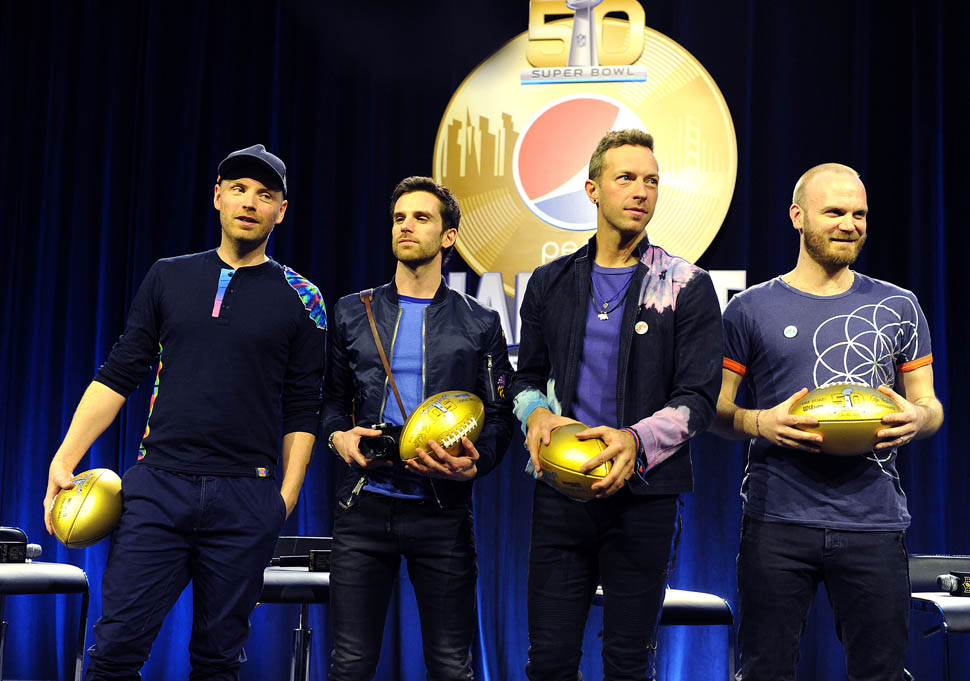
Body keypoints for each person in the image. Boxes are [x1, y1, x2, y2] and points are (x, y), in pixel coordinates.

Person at [43, 144, 327, 680]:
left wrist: (284, 499)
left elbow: (303, 404)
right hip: (159, 487)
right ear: (218, 197)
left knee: (218, 663)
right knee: (114, 652)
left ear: (281, 211)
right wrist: (64, 458)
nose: (250, 202)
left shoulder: (303, 298)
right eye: (238, 189)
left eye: (265, 195)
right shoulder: (168, 276)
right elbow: (119, 372)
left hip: (246, 494)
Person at [712, 163, 944, 680]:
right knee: (764, 671)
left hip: (874, 522)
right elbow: (715, 409)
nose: (849, 224)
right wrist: (760, 422)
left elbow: (930, 405)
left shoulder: (899, 305)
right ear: (798, 216)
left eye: (859, 214)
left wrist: (917, 418)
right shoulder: (749, 309)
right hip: (776, 521)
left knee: (881, 673)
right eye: (834, 212)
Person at [508, 129, 723, 680]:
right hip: (560, 493)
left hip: (645, 499)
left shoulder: (687, 284)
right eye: (625, 178)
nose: (641, 191)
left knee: (628, 664)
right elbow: (524, 377)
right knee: (549, 662)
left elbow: (698, 397)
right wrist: (535, 412)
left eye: (651, 180)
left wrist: (633, 440)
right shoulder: (550, 282)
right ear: (592, 189)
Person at [321, 176, 514, 681]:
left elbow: (500, 416)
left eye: (421, 218)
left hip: (442, 511)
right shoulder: (352, 311)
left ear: (448, 236)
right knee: (350, 665)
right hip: (363, 506)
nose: (406, 226)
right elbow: (331, 402)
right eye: (399, 218)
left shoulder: (481, 322)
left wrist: (477, 465)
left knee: (451, 666)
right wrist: (339, 437)